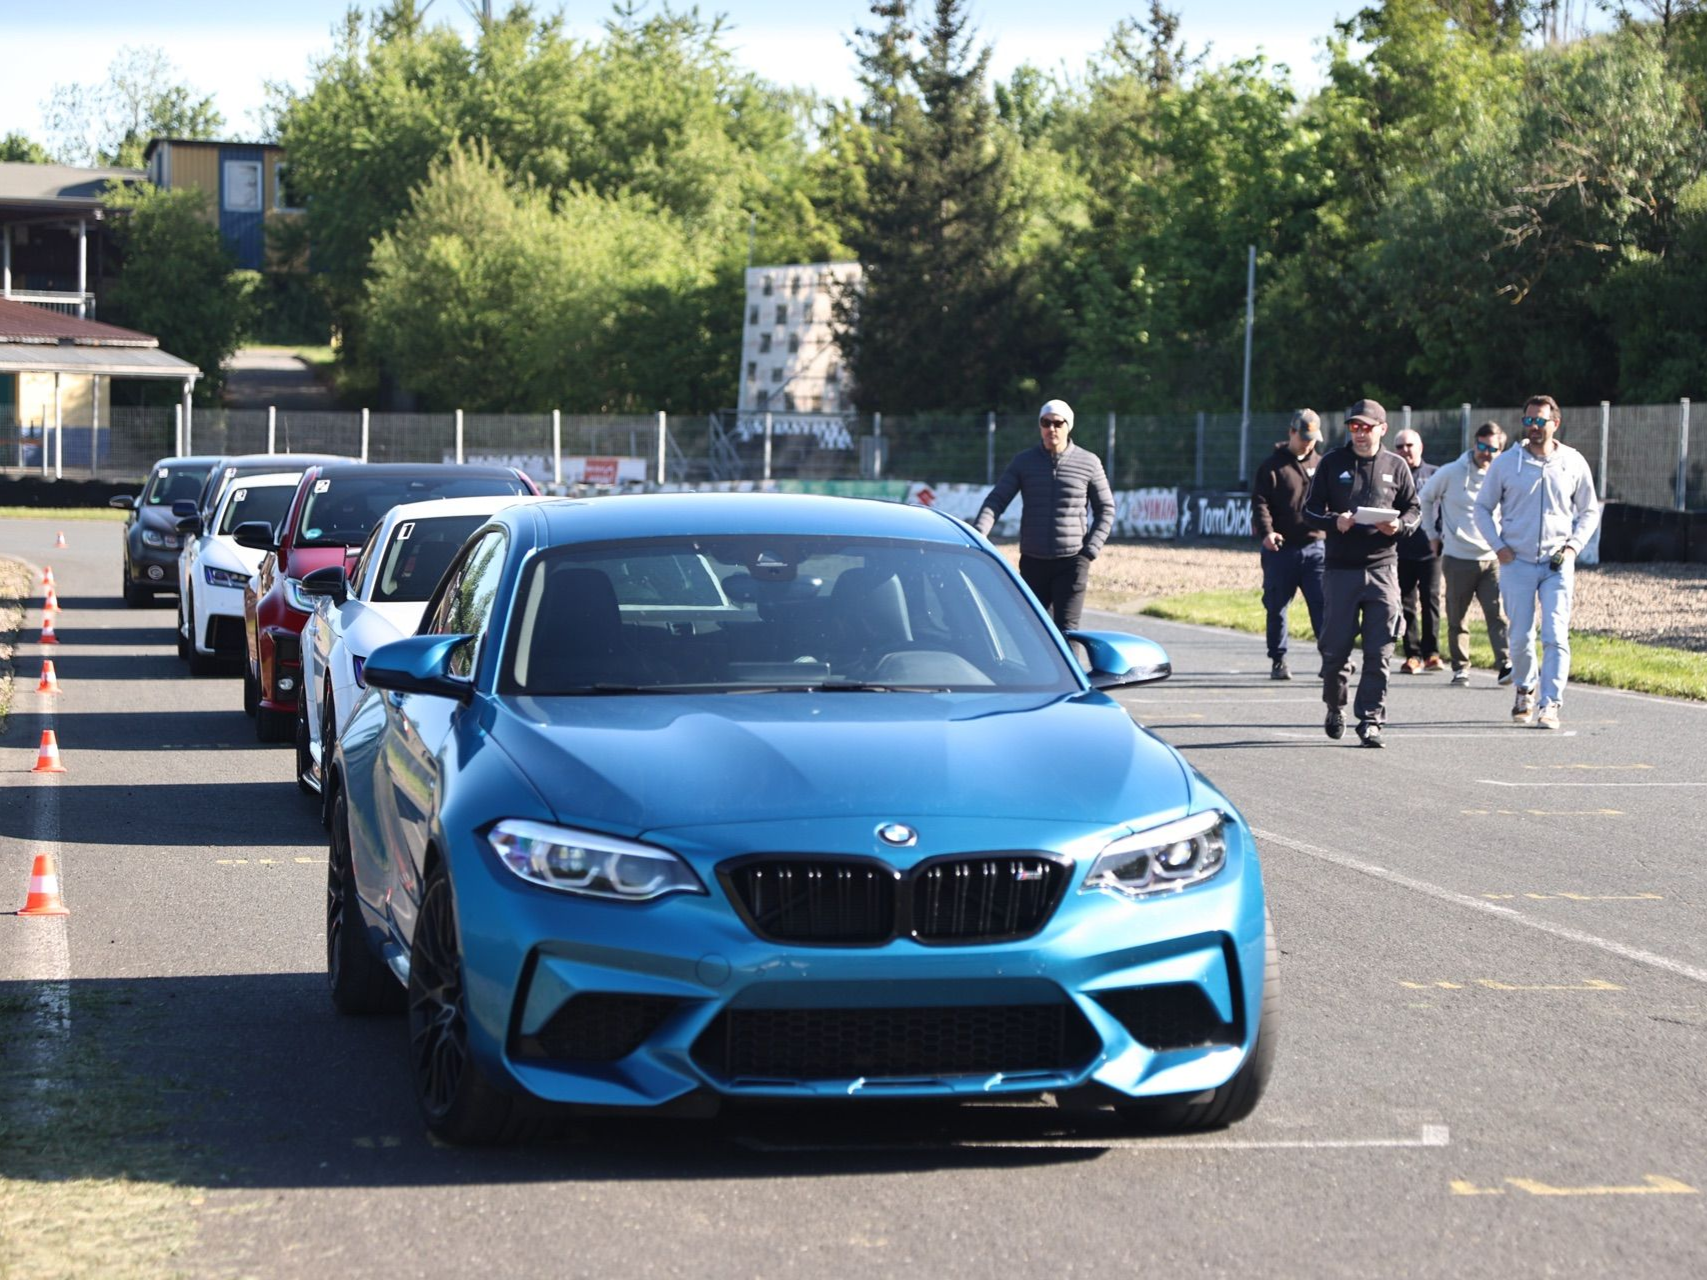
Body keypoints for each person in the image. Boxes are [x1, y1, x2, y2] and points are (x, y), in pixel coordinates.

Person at [1473, 395, 1601, 730]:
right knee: (1519, 636)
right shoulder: (1506, 463)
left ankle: (1550, 703)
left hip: (1557, 564)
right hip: (1517, 562)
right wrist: (1498, 546)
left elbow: (1589, 511)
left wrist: (1573, 547)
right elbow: (1482, 508)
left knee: (1556, 634)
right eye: (1528, 420)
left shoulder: (1572, 461)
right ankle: (1525, 688)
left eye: (1540, 421)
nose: (1533, 427)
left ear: (1555, 423)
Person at [1302, 398, 1421, 748]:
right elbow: (1309, 510)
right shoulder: (1332, 462)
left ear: (1382, 429)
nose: (1359, 433)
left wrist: (1398, 526)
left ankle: (1370, 720)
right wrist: (1334, 521)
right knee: (1335, 652)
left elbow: (1414, 510)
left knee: (1379, 650)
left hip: (1383, 568)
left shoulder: (1396, 465)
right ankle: (1335, 706)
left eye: (1366, 427)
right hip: (1340, 570)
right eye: (1354, 427)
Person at [973, 398, 1115, 633]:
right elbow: (997, 500)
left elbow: (1106, 509)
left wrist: (1090, 550)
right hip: (1033, 561)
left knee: (1067, 632)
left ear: (1068, 426)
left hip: (1072, 561)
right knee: (1034, 633)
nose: (1051, 429)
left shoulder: (1089, 462)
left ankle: (1069, 661)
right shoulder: (1024, 462)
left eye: (1058, 423)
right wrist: (978, 534)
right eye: (1045, 423)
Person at [1419, 420, 1512, 687]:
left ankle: (1505, 664)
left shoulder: (1503, 474)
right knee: (1457, 616)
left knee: (1497, 614)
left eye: (1492, 449)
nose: (1486, 453)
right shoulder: (1451, 472)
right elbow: (1425, 497)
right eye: (1482, 446)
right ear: (1474, 444)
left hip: (1492, 557)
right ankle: (1461, 667)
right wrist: (1432, 534)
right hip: (1458, 556)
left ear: (1500, 451)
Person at [1251, 409, 1326, 680]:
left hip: (1316, 547)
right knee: (1277, 606)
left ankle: (1330, 658)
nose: (1308, 443)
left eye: (1312, 439)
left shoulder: (1323, 465)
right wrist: (1267, 533)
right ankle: (1278, 659)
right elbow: (1260, 503)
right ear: (1291, 433)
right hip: (1281, 549)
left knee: (1322, 605)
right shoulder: (1272, 467)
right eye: (1304, 437)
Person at [1391, 429, 1442, 674]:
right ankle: (1413, 654)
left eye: (1409, 445)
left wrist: (1441, 536)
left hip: (1430, 549)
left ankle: (1432, 653)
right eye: (1399, 446)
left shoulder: (1435, 474)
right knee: (1406, 603)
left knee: (1430, 601)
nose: (1405, 450)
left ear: (1420, 447)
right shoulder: (1391, 475)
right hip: (1401, 550)